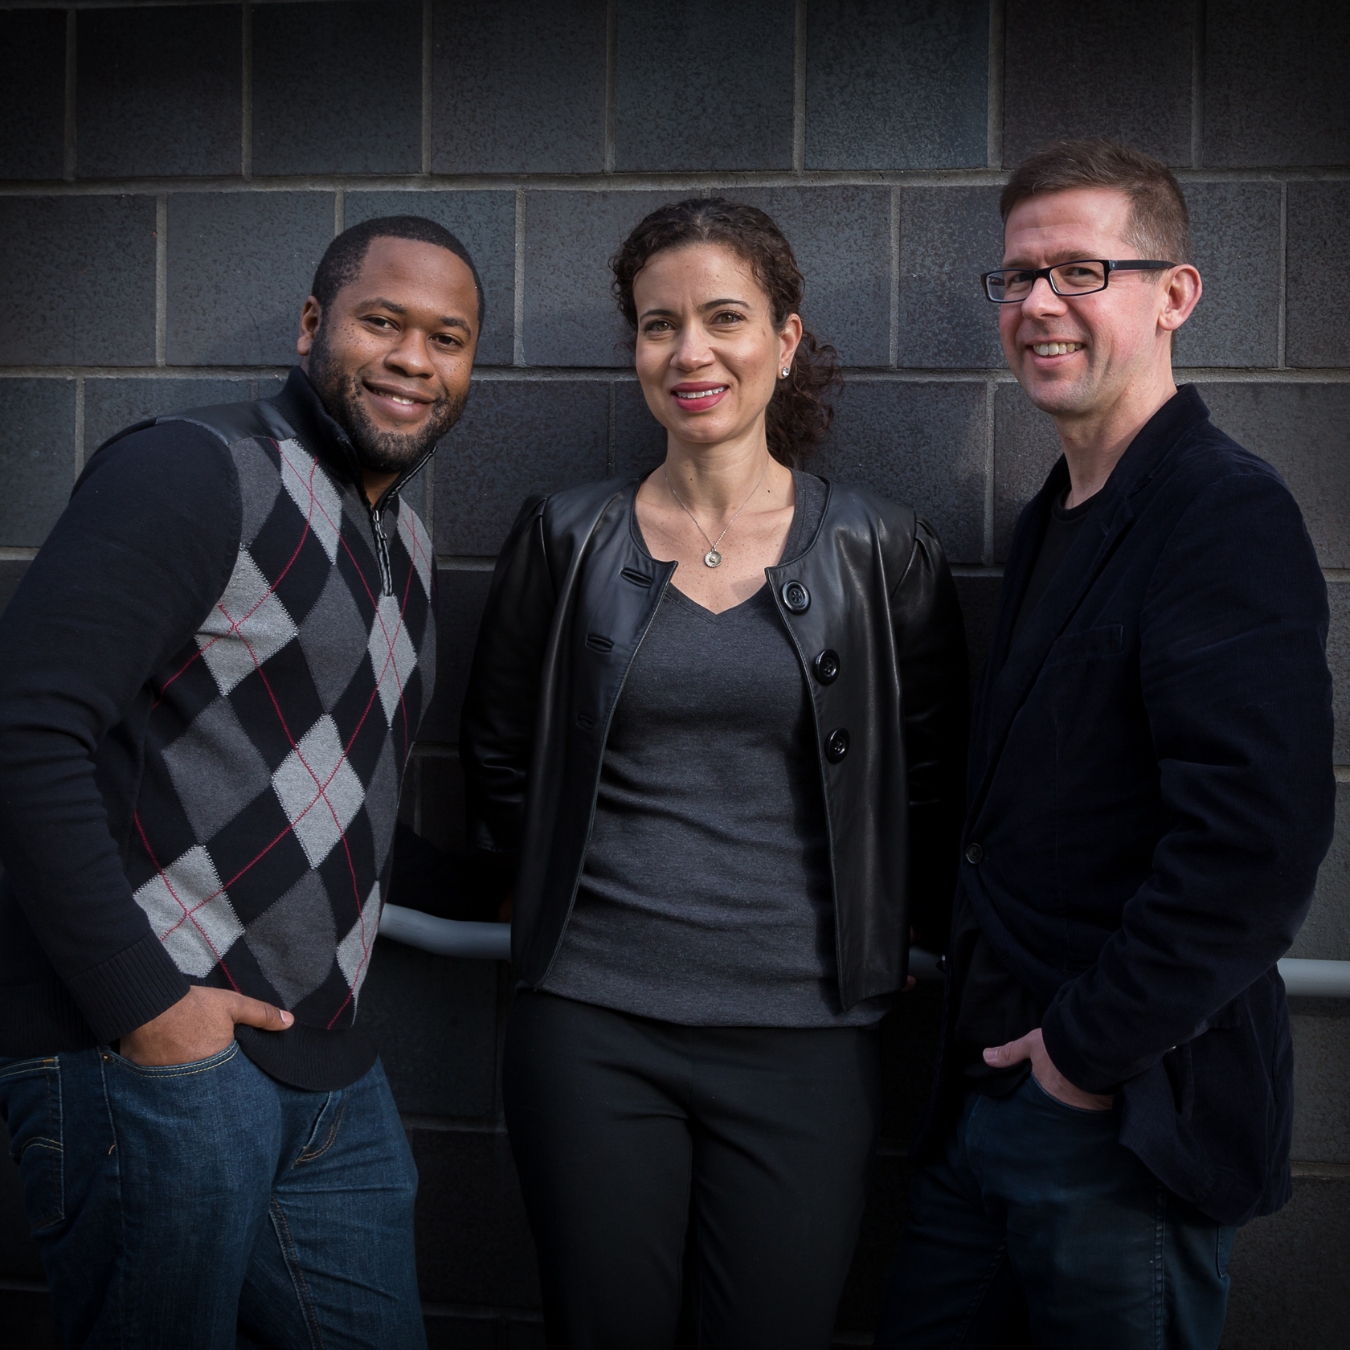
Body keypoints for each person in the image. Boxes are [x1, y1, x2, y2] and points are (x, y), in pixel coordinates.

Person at [460, 198, 969, 1350]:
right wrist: (530, 900)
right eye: (657, 326)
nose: (690, 352)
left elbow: (930, 780)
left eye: (724, 318)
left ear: (784, 340)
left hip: (807, 1033)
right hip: (590, 1028)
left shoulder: (882, 548)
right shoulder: (566, 534)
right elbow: (495, 751)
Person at [876, 140, 1335, 1349]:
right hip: (987, 1098)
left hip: (1120, 1112)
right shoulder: (1055, 517)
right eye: (1017, 279)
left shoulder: (1221, 510)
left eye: (1080, 271)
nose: (1036, 307)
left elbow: (1256, 848)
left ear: (1173, 294)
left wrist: (1081, 1055)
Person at [0, 214, 483, 1348]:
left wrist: (515, 889)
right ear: (315, 325)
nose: (416, 358)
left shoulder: (403, 550)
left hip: (326, 1081)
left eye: (450, 338)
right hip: (146, 1057)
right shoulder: (194, 467)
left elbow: (337, 809)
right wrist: (152, 1015)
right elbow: (25, 729)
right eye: (384, 321)